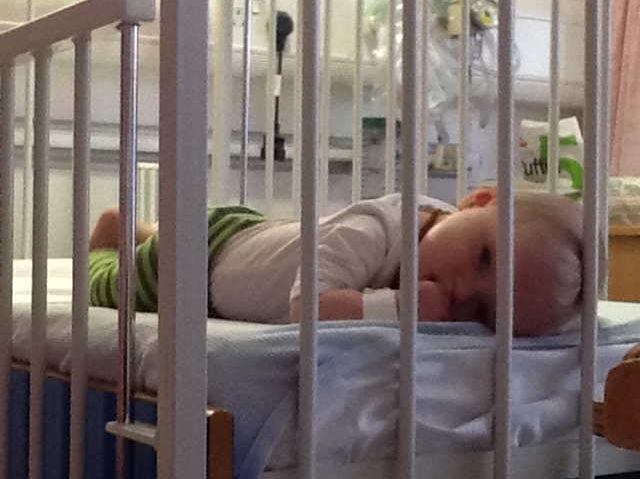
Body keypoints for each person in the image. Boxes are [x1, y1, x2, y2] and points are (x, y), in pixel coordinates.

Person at [88, 188, 595, 337]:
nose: (462, 291)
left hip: (254, 239)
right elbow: (304, 308)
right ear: (477, 200)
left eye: (486, 312)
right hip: (198, 260)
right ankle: (114, 235)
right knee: (109, 286)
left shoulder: (437, 264)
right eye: (484, 257)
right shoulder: (376, 229)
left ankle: (145, 229)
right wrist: (399, 307)